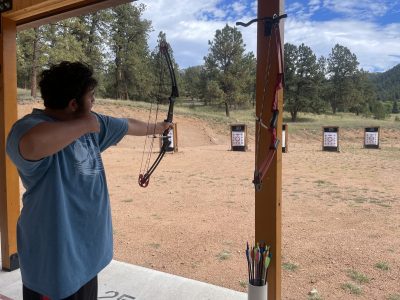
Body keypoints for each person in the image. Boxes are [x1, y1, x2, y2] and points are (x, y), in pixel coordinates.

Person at [6, 61, 170, 300]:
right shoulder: (28, 128)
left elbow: (126, 125)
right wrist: (85, 124)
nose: (93, 102)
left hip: (84, 259)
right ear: (73, 104)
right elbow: (30, 144)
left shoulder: (88, 123)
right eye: (91, 97)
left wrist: (158, 127)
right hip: (53, 263)